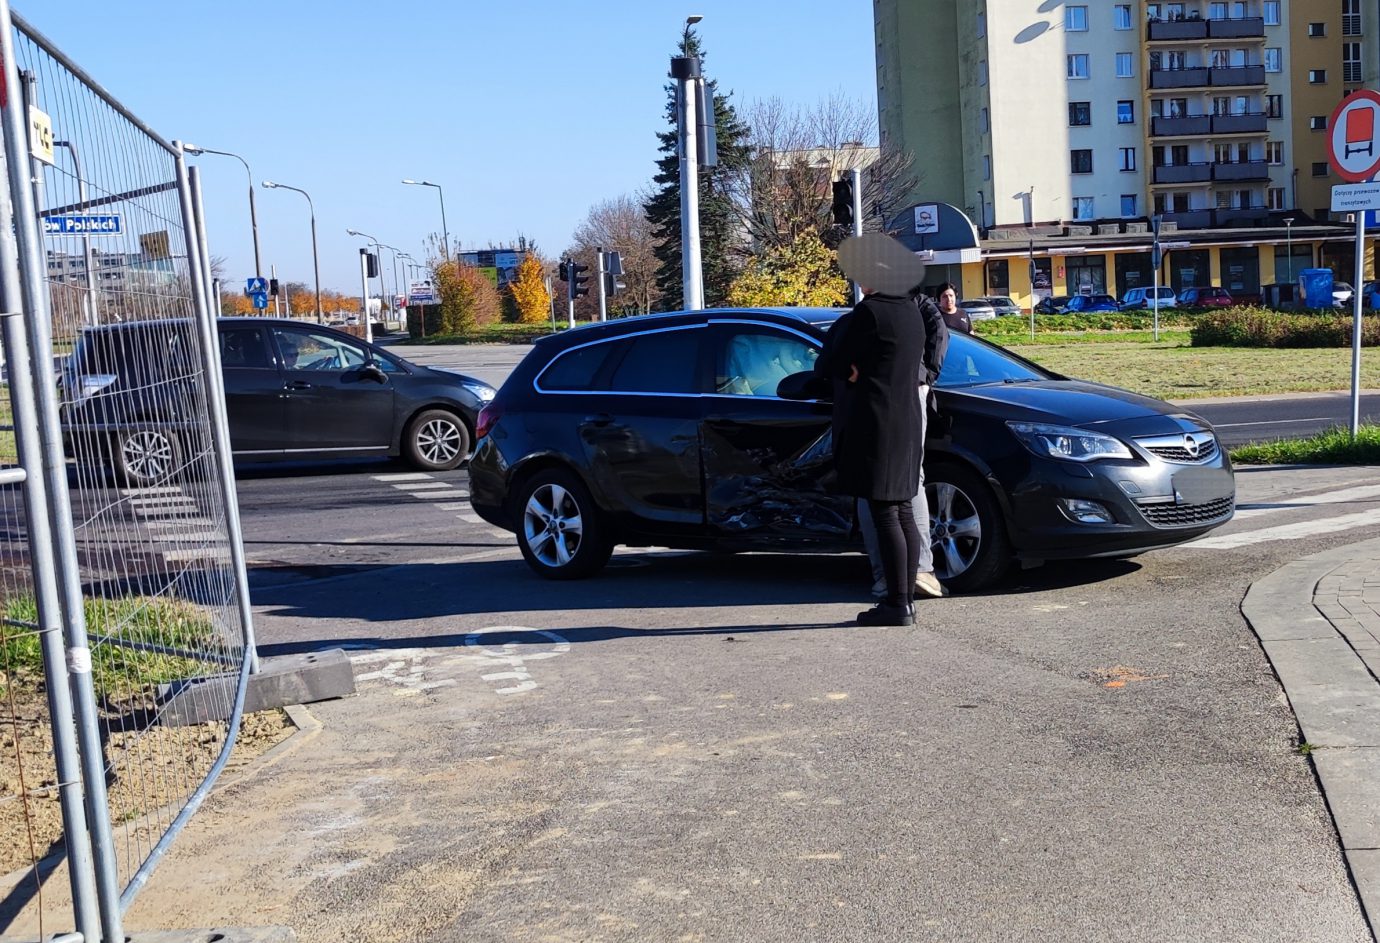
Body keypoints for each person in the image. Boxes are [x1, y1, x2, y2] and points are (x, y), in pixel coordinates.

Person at [815, 281, 928, 627]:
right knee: (903, 510)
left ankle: (895, 604)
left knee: (885, 514)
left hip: (877, 422)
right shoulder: (911, 310)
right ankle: (905, 600)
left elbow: (833, 362)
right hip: (907, 420)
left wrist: (849, 370)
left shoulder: (870, 312)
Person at [857, 287, 949, 602]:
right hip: (913, 394)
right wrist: (926, 376)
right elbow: (939, 335)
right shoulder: (916, 307)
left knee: (882, 492)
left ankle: (890, 576)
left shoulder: (877, 310)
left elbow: (837, 359)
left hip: (889, 402)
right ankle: (916, 573)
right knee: (910, 486)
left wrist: (923, 377)